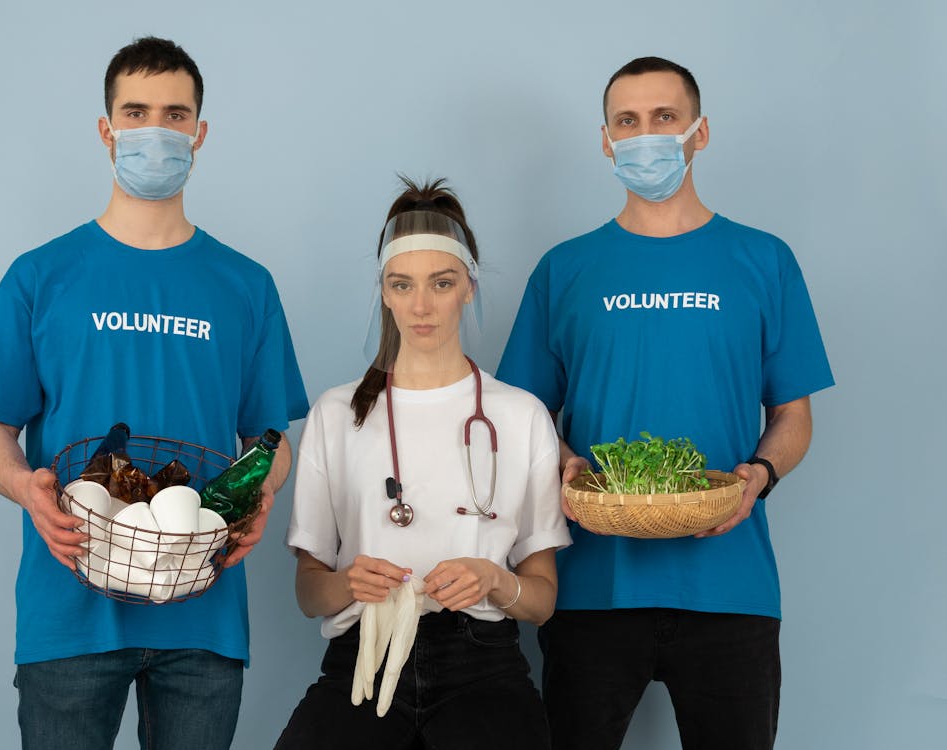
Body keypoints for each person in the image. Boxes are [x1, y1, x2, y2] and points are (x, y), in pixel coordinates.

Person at [0, 36, 309, 750]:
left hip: (203, 616)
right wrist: (28, 487)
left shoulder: (245, 285)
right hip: (69, 612)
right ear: (106, 129)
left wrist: (259, 496)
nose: (157, 130)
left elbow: (271, 443)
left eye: (175, 114)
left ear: (199, 133)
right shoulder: (40, 276)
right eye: (136, 111)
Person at [497, 56, 834, 749]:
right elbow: (521, 416)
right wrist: (557, 463)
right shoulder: (565, 268)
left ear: (699, 132)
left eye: (663, 118)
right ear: (605, 140)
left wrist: (759, 477)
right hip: (590, 585)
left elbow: (792, 417)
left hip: (729, 586)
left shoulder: (763, 260)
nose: (644, 136)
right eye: (627, 121)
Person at [275, 178, 572, 750]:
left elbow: (542, 600)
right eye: (402, 285)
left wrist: (493, 578)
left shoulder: (521, 415)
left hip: (481, 666)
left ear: (469, 286)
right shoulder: (336, 414)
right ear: (383, 292)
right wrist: (346, 583)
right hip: (362, 656)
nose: (421, 305)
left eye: (442, 283)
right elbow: (309, 592)